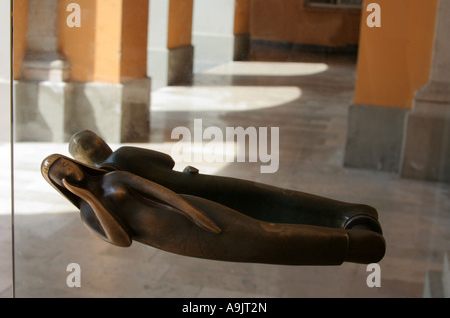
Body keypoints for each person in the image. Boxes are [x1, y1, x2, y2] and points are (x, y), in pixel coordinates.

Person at [41, 153, 385, 266]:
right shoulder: (90, 211)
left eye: (66, 166)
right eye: (61, 176)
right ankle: (351, 244)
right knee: (261, 243)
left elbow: (161, 190)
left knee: (260, 232)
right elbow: (122, 240)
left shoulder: (115, 176)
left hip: (193, 216)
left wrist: (196, 213)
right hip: (173, 238)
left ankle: (353, 234)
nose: (68, 172)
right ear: (60, 183)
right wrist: (89, 198)